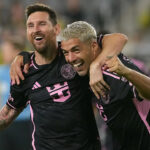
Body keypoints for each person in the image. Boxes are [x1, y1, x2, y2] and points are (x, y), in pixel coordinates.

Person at [0, 3, 128, 150]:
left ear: (56, 29)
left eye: (42, 24)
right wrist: (20, 56)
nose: (36, 29)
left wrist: (95, 66)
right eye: (30, 25)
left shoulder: (73, 52)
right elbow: (8, 113)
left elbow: (119, 38)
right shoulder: (24, 71)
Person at [58, 21, 150, 150]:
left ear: (94, 46)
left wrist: (127, 72)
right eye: (66, 52)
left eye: (76, 50)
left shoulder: (114, 71)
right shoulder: (87, 66)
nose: (70, 58)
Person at [0, 37, 31, 150]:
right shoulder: (1, 71)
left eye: (6, 50)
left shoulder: (28, 71)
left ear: (16, 52)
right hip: (4, 123)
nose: (3, 53)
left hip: (24, 122)